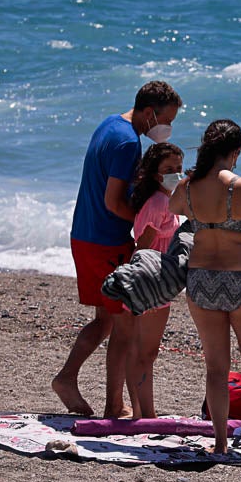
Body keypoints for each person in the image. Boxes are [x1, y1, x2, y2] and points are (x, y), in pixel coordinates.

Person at [52, 81, 182, 418]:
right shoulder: (127, 142)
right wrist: (147, 221)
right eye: (167, 119)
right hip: (107, 240)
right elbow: (114, 202)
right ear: (150, 112)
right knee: (124, 328)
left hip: (83, 235)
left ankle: (67, 378)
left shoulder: (110, 124)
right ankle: (113, 405)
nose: (168, 128)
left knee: (106, 320)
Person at [166, 119, 241, 460]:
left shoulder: (188, 187)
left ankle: (219, 443)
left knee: (216, 368)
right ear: (235, 152)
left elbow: (175, 207)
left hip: (201, 280)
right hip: (240, 281)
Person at [124, 142, 185, 418]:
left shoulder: (165, 201)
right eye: (169, 169)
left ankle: (142, 411)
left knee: (143, 351)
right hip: (151, 282)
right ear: (155, 173)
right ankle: (145, 413)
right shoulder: (159, 203)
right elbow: (143, 246)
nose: (176, 173)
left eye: (179, 168)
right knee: (145, 352)